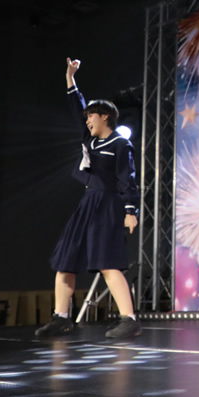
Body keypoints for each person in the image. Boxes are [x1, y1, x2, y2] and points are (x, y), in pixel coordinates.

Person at [35, 58, 142, 340]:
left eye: (91, 116)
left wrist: (130, 211)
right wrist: (70, 78)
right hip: (87, 204)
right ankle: (61, 318)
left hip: (108, 205)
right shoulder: (89, 140)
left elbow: (127, 179)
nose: (87, 121)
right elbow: (76, 107)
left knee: (107, 262)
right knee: (65, 260)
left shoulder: (120, 144)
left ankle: (129, 319)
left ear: (105, 116)